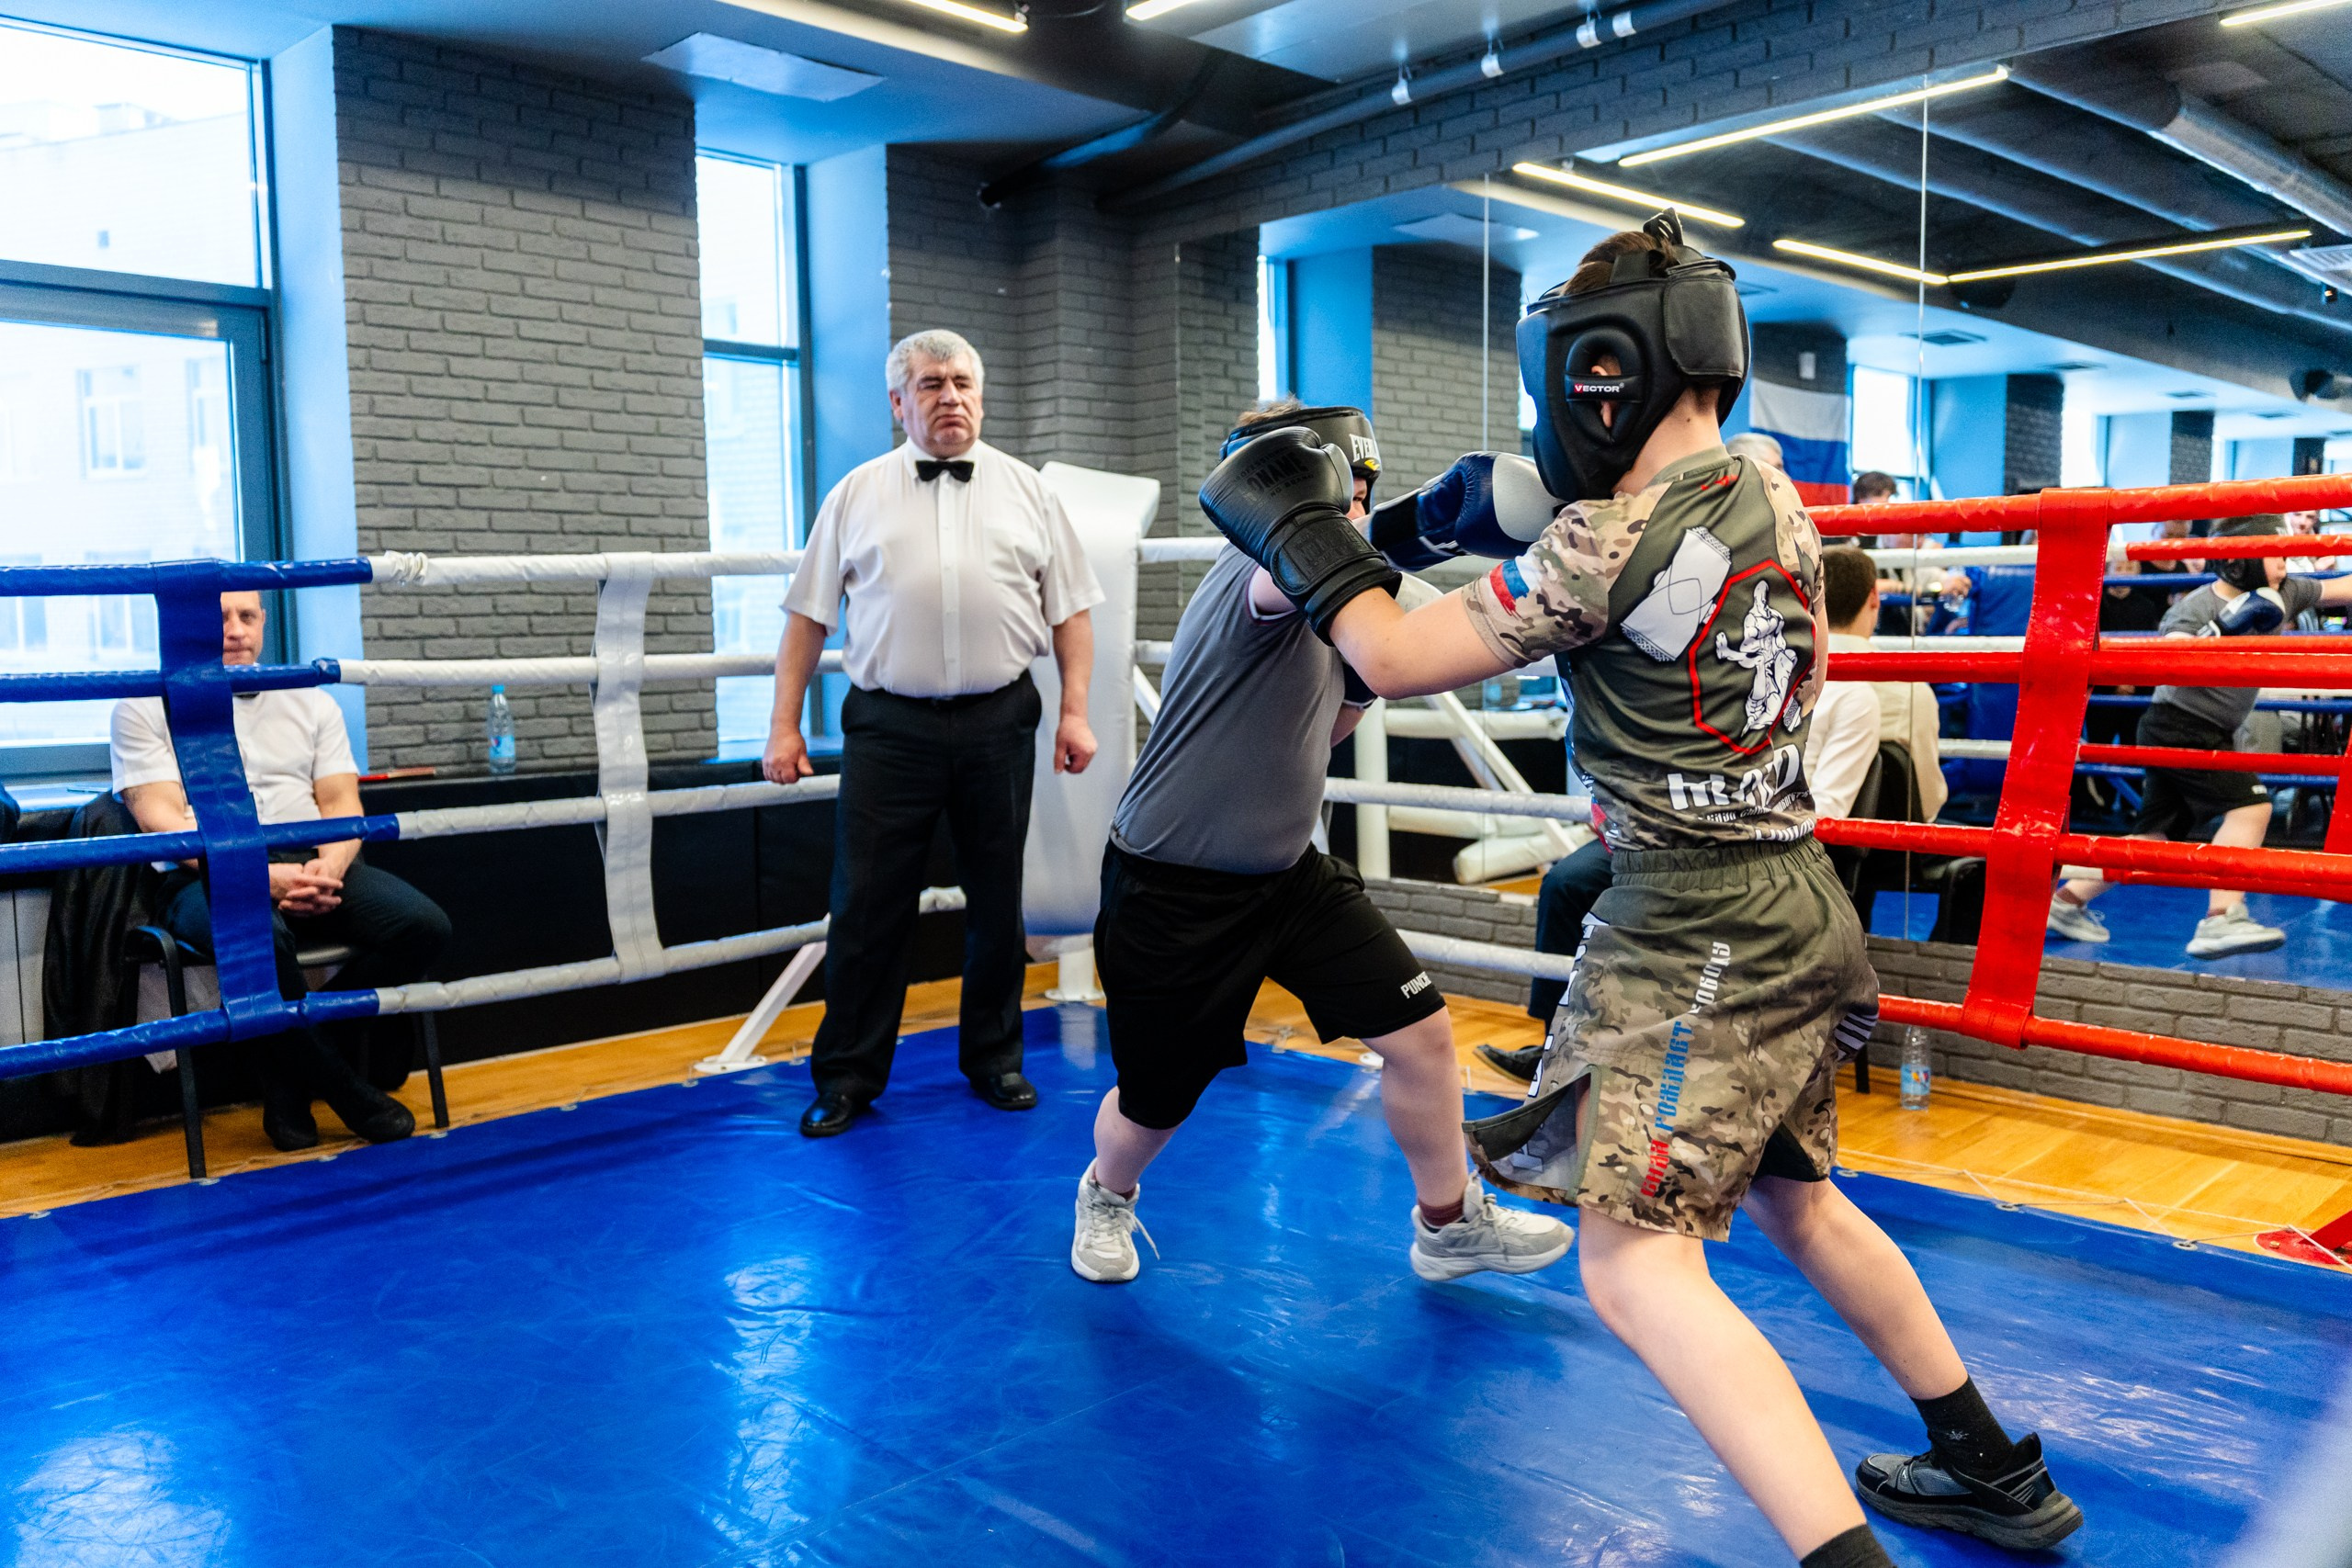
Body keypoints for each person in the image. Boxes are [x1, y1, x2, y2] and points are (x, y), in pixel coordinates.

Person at [1198, 214, 2079, 1565]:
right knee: (1800, 1197)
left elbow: (1381, 648)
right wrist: (1440, 512)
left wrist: (1306, 525)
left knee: (1633, 1261)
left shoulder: (1600, 547)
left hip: (1692, 929)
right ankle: (1986, 1461)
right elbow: (1567, 512)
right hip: (1799, 897)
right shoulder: (1771, 490)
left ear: (1600, 369)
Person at [1068, 399, 1573, 1289]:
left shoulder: (1335, 599)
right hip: (1173, 889)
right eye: (1328, 495)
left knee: (1419, 1036)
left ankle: (1448, 1225)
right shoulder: (1257, 575)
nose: (1347, 513)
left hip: (1288, 879)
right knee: (1155, 1105)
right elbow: (1344, 587)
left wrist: (1414, 542)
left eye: (1355, 493)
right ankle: (1107, 1190)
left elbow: (1326, 727)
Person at [766, 329, 1103, 1137]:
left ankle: (995, 1059)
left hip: (999, 716)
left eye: (961, 382)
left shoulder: (1029, 490)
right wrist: (784, 726)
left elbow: (1073, 609)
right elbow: (808, 619)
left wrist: (1076, 708)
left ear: (980, 396)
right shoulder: (855, 493)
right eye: (929, 384)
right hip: (890, 726)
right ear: (898, 402)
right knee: (866, 904)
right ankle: (847, 1074)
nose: (949, 396)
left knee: (997, 898)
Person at [113, 591, 447, 1152]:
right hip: (205, 874)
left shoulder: (308, 699)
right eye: (218, 617)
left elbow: (342, 803)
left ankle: (295, 1073)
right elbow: (163, 820)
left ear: (264, 622)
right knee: (259, 936)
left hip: (314, 860)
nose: (236, 629)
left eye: (247, 616)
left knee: (424, 927)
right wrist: (264, 880)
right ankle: (346, 1092)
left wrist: (329, 868)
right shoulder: (145, 704)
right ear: (185, 627)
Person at [2049, 512, 2352, 959]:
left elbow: (2335, 589)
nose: (2286, 563)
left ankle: (2066, 902)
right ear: (2238, 561)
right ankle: (2221, 918)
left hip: (2203, 728)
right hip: (2180, 724)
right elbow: (2166, 659)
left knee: (2154, 837)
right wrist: (2220, 632)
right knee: (2251, 807)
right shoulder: (2196, 606)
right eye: (2276, 555)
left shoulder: (2283, 593)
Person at [1805, 547, 1946, 822]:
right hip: (1885, 853)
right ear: (1874, 598)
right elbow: (1926, 807)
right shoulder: (1912, 692)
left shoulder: (1782, 676)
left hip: (1788, 833)